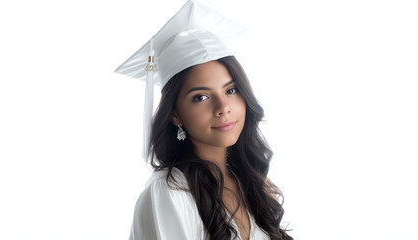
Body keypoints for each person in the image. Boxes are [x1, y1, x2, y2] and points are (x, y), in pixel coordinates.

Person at [115, 1, 293, 239]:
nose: (223, 108)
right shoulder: (169, 190)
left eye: (231, 90)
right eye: (201, 97)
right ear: (175, 114)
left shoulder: (252, 182)